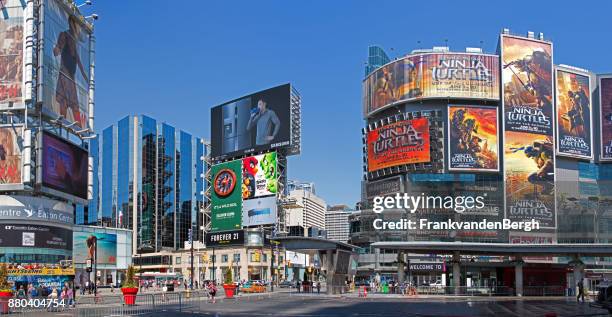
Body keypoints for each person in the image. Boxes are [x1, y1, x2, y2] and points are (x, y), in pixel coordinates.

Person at [52, 15, 88, 128]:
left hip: (70, 76)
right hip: (64, 74)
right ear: (71, 24)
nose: (77, 28)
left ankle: (76, 126)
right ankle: (65, 123)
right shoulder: (65, 35)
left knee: (72, 102)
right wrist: (56, 48)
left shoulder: (73, 39)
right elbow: (57, 51)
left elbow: (77, 59)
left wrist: (86, 77)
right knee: (67, 101)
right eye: (75, 25)